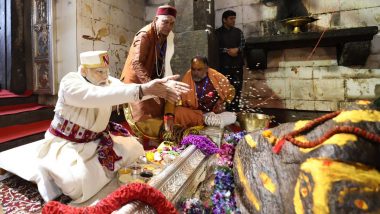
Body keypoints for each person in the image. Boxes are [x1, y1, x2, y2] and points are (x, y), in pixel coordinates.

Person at [30, 50, 189, 203]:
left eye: (106, 71)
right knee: (75, 185)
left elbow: (126, 91)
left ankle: (99, 172)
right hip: (68, 145)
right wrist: (143, 89)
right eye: (99, 71)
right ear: (84, 71)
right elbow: (94, 96)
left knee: (135, 150)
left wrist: (158, 90)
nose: (105, 76)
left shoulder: (107, 81)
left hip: (97, 141)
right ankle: (48, 168)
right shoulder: (70, 83)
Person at [120, 5, 177, 144]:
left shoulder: (164, 36)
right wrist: (151, 85)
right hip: (135, 80)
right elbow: (136, 63)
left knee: (161, 103)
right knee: (141, 111)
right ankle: (139, 141)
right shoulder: (145, 34)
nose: (168, 26)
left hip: (149, 78)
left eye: (172, 23)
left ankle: (154, 138)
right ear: (156, 19)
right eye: (165, 22)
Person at [172, 56, 237, 129]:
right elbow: (181, 100)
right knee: (178, 112)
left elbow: (231, 90)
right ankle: (208, 121)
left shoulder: (216, 76)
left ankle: (211, 121)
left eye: (199, 70)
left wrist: (223, 103)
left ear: (206, 68)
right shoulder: (187, 78)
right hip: (195, 113)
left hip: (213, 113)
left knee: (230, 117)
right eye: (193, 69)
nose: (195, 73)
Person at [215, 10, 245, 112]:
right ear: (224, 20)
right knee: (225, 90)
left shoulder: (238, 32)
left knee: (237, 91)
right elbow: (214, 48)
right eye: (231, 18)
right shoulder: (217, 33)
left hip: (237, 67)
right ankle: (225, 113)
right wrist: (227, 51)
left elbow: (243, 45)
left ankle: (235, 112)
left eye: (234, 18)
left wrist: (237, 50)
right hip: (224, 67)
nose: (233, 20)